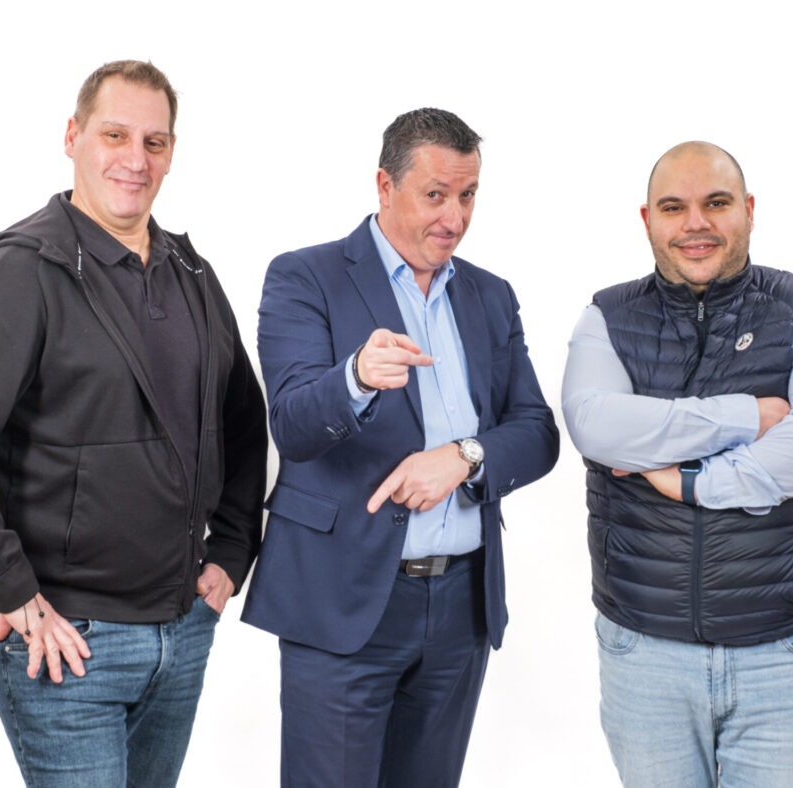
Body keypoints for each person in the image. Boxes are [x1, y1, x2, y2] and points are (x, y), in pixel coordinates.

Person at [0, 60, 267, 787]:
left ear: (172, 152)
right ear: (73, 137)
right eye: (115, 135)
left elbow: (242, 421)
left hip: (181, 635)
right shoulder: (24, 272)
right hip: (68, 645)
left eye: (155, 142)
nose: (135, 159)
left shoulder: (191, 273)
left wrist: (231, 548)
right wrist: (11, 588)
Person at [240, 107, 559, 787]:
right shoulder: (305, 276)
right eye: (435, 194)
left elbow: (537, 431)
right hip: (343, 602)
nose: (455, 217)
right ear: (385, 186)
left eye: (468, 195)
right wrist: (355, 377)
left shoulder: (490, 295)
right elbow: (292, 425)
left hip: (460, 609)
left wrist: (464, 457)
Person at [562, 141, 793, 786]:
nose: (695, 224)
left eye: (716, 203)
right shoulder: (606, 317)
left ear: (748, 209)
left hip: (784, 655)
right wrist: (747, 418)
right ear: (647, 219)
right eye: (674, 207)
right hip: (644, 654)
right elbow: (595, 424)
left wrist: (694, 481)